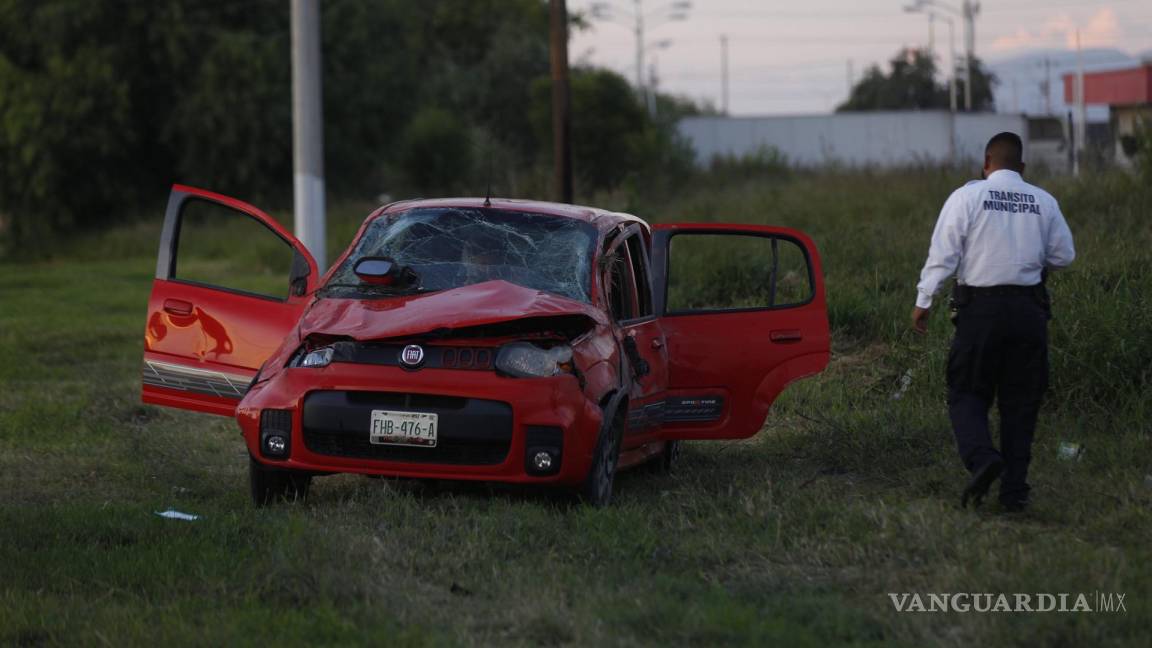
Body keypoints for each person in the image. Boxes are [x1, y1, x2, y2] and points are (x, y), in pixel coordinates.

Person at [911, 132, 1075, 511]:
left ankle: (984, 460)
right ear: (1021, 167)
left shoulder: (966, 197)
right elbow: (1064, 256)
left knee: (967, 392)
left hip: (979, 313)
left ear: (986, 163)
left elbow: (944, 254)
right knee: (1021, 403)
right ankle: (1014, 493)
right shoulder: (1044, 201)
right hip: (1028, 312)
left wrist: (924, 300)